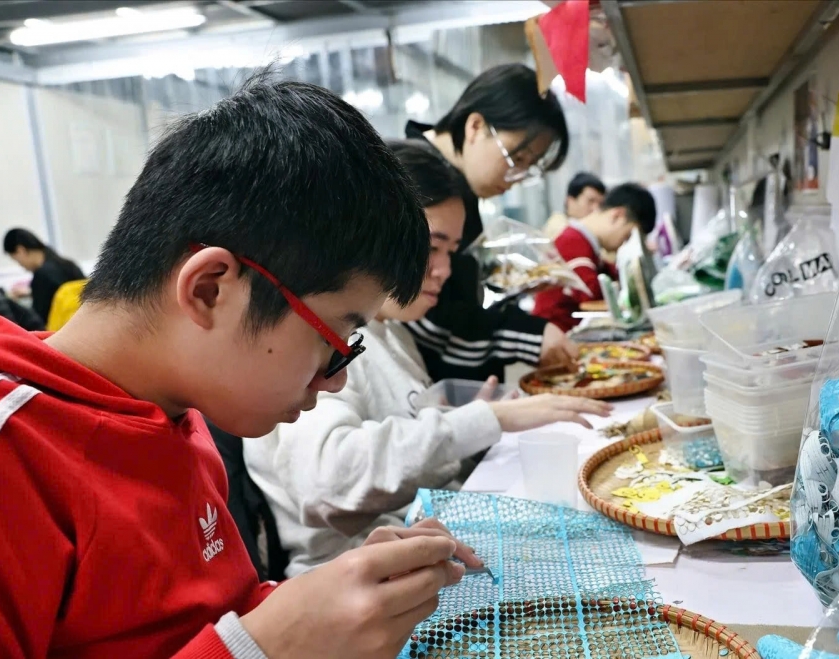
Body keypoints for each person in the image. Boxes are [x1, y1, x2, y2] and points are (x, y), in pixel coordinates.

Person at [0, 71, 480, 659]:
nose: (335, 378)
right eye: (335, 338)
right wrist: (265, 644)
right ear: (210, 289)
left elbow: (201, 626)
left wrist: (336, 598)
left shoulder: (180, 420)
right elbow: (236, 645)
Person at [245, 140, 611, 576]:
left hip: (417, 551)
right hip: (352, 577)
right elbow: (328, 479)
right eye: (431, 247)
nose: (445, 270)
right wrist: (483, 420)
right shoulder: (321, 341)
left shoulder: (394, 334)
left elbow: (411, 446)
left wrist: (472, 422)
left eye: (451, 251)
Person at [404, 64, 577, 382]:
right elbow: (428, 321)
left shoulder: (458, 186)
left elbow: (459, 291)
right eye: (517, 159)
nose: (517, 177)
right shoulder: (415, 181)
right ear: (476, 127)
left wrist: (513, 280)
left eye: (529, 167)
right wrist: (530, 335)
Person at [533, 183, 658, 331]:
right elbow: (590, 294)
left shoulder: (585, 243)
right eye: (627, 235)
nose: (623, 243)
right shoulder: (572, 241)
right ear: (617, 216)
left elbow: (608, 275)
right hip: (556, 333)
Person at [2, 228, 86, 325]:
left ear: (21, 251)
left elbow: (37, 321)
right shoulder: (70, 265)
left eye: (17, 260)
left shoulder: (41, 276)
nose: (21, 265)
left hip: (57, 330)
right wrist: (31, 292)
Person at [544, 172, 607, 240]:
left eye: (600, 204)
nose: (596, 209)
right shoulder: (557, 228)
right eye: (590, 201)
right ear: (570, 201)